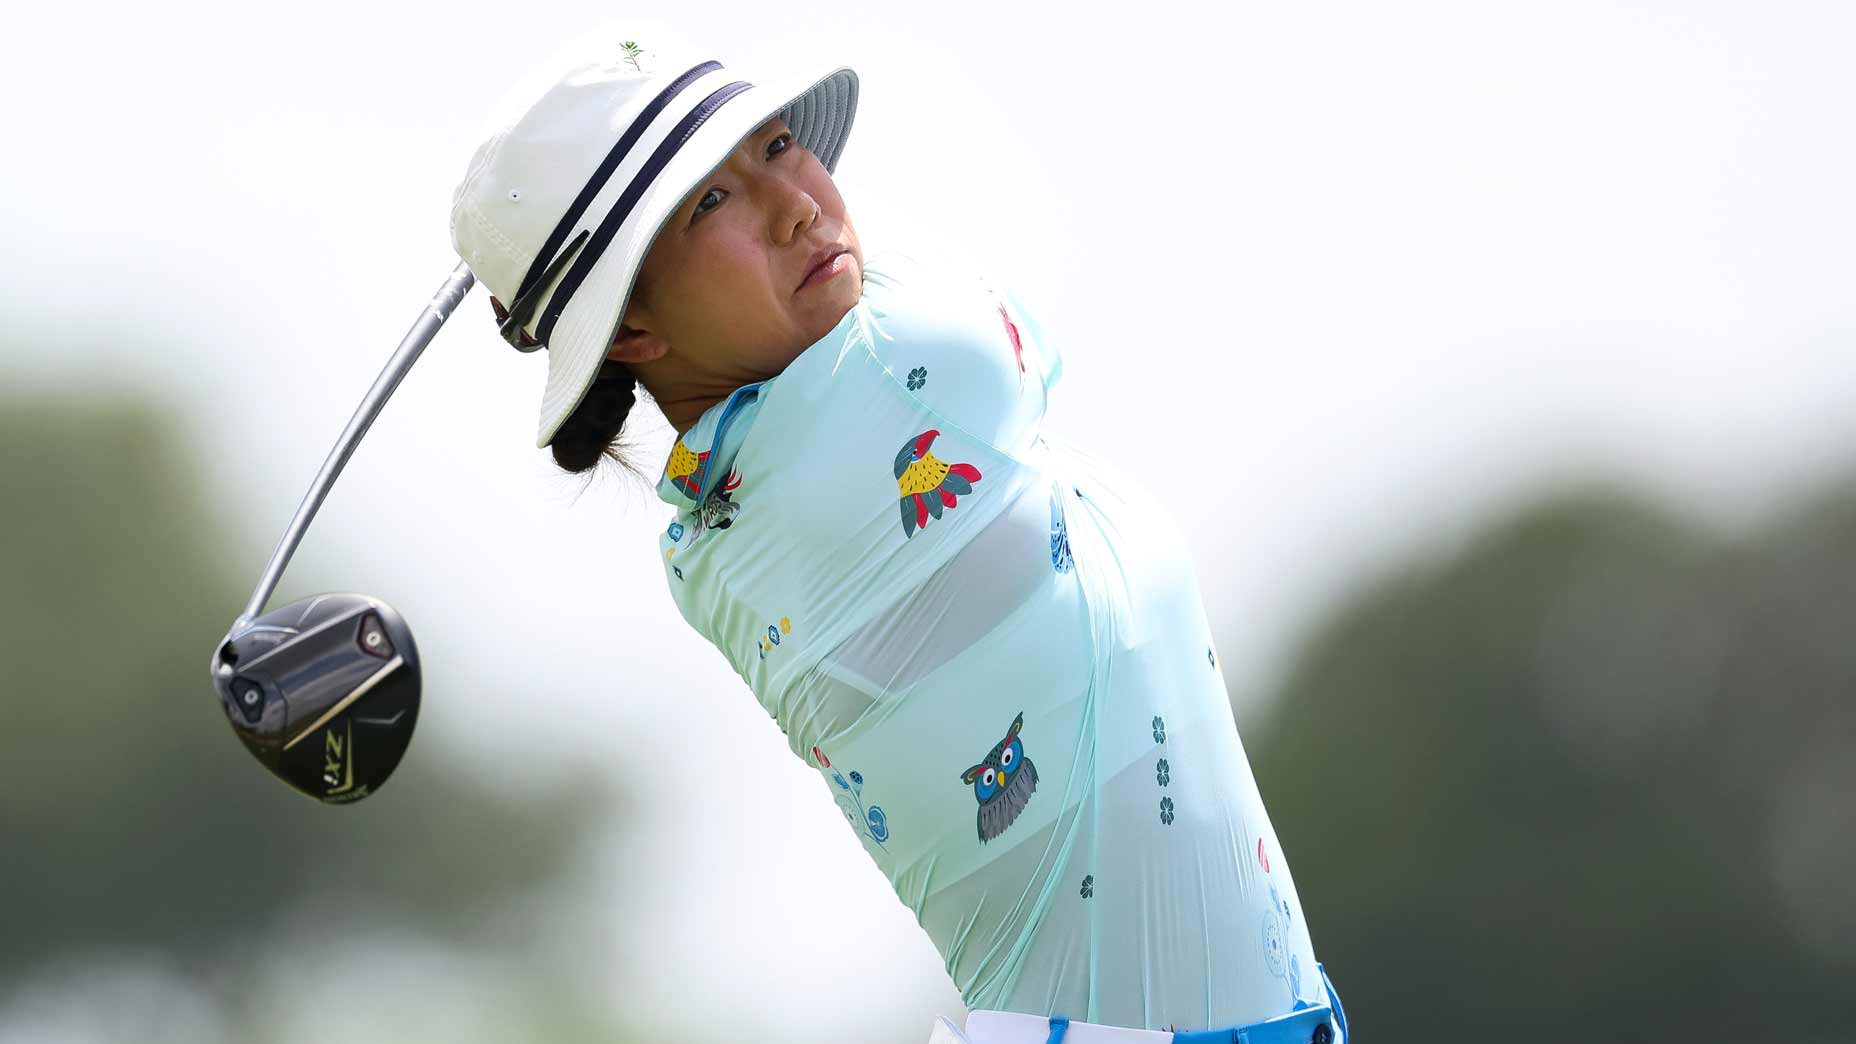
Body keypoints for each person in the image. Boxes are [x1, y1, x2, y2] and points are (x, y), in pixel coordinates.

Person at [449, 22, 1351, 1044]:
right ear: (631, 332)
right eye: (711, 199)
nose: (797, 205)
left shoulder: (715, 528)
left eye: (779, 146)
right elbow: (971, 309)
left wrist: (563, 262)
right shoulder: (899, 381)